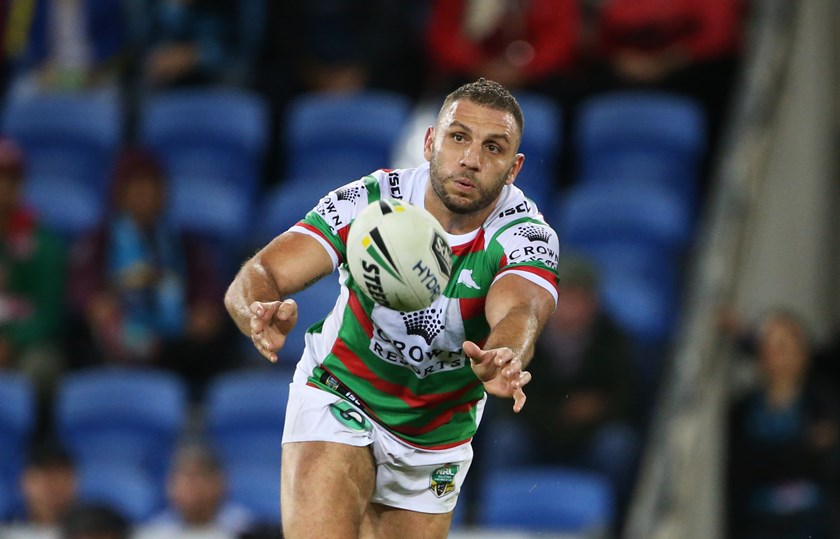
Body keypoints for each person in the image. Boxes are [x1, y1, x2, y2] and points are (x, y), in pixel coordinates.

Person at [224, 78, 560, 538]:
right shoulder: (370, 200)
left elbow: (522, 310)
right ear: (429, 141)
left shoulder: (526, 235)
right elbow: (261, 273)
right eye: (457, 137)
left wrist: (505, 353)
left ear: (514, 167)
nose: (471, 159)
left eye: (493, 148)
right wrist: (256, 310)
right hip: (342, 392)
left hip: (438, 433)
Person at [481, 253, 642, 525]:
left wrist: (594, 411)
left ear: (593, 302)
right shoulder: (522, 338)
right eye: (561, 299)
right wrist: (563, 412)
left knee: (617, 446)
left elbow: (628, 397)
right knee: (506, 439)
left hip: (591, 435)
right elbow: (504, 397)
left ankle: (618, 524)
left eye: (577, 299)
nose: (568, 308)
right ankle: (491, 520)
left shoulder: (614, 339)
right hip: (536, 431)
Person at [66, 147, 236, 401]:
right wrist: (95, 303)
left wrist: (206, 308)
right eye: (136, 188)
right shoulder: (101, 241)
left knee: (220, 337)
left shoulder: (182, 241)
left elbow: (208, 284)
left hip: (172, 338)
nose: (145, 195)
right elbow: (82, 283)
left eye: (151, 187)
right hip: (119, 334)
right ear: (120, 193)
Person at [726, 309, 840, 539]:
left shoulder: (822, 405)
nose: (777, 353)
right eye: (770, 345)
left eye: (785, 346)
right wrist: (805, 448)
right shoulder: (742, 412)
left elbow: (828, 465)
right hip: (760, 526)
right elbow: (744, 471)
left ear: (803, 354)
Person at [0, 137, 66, 420]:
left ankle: (28, 448)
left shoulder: (43, 243)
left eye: (9, 180)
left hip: (28, 346)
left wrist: (10, 342)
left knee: (40, 366)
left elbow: (49, 313)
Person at [142, 440, 255, 536]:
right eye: (185, 478)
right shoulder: (153, 532)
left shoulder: (246, 529)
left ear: (221, 482)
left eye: (201, 476)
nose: (193, 487)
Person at [11, 440, 78, 529]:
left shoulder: (92, 531)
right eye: (45, 479)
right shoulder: (7, 530)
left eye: (60, 478)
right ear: (25, 482)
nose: (54, 487)